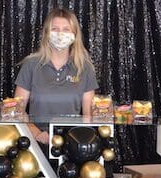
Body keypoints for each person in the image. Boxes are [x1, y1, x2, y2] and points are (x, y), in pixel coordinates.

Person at [14, 8, 98, 143]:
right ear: (47, 33)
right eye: (55, 29)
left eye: (66, 29)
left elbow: (88, 116)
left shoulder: (85, 68)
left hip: (72, 142)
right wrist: (36, 133)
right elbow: (17, 110)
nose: (60, 34)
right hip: (35, 141)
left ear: (75, 34)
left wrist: (74, 139)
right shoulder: (31, 65)